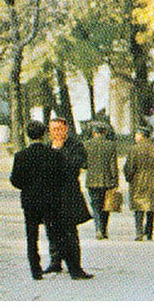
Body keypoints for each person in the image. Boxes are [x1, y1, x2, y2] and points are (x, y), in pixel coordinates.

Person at [42, 116, 93, 278]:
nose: (56, 133)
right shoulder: (46, 147)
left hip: (68, 194)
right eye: (52, 130)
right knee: (51, 229)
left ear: (65, 129)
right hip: (50, 195)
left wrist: (60, 151)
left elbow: (80, 163)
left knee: (69, 232)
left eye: (59, 129)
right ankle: (55, 261)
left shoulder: (75, 145)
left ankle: (75, 267)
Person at [9, 119, 55, 280]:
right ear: (43, 135)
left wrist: (27, 186)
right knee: (54, 232)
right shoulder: (52, 154)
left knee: (31, 235)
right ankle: (57, 261)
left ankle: (35, 269)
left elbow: (15, 180)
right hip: (50, 199)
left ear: (28, 136)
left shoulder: (21, 156)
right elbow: (61, 176)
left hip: (30, 200)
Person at [122, 124, 154, 241]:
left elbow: (129, 167)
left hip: (138, 181)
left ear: (141, 136)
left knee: (138, 207)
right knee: (150, 208)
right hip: (153, 181)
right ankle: (149, 231)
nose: (135, 137)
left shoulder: (134, 149)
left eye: (137, 134)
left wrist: (129, 178)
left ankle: (139, 232)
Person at [82, 123, 120, 239]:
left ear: (94, 133)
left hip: (92, 180)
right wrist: (115, 180)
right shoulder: (110, 146)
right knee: (105, 206)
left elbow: (84, 164)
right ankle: (104, 229)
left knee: (95, 205)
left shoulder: (86, 145)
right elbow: (113, 165)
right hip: (106, 180)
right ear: (104, 133)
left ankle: (98, 228)